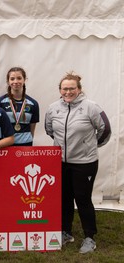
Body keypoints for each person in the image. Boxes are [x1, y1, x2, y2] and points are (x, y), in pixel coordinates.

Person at [45, 72, 111, 254]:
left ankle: (90, 237)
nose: (68, 92)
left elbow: (105, 130)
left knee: (82, 199)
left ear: (79, 89)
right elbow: (49, 129)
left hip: (85, 163)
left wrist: (90, 146)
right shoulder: (53, 108)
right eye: (64, 88)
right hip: (60, 162)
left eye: (72, 88)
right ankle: (66, 232)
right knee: (64, 198)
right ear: (60, 90)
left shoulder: (91, 107)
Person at [0, 67, 40, 146]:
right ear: (8, 81)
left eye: (19, 78)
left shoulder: (33, 103)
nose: (15, 81)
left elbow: (32, 129)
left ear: (24, 80)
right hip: (5, 145)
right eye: (12, 79)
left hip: (25, 145)